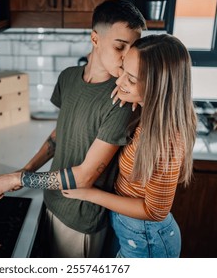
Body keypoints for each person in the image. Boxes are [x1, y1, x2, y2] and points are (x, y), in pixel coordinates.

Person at [0, 0, 146, 258]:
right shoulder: (68, 78)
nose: (127, 56)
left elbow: (84, 177)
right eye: (119, 46)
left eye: (132, 47)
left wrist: (17, 179)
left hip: (81, 221)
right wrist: (26, 170)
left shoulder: (120, 100)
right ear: (94, 38)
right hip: (51, 201)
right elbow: (60, 135)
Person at [63, 34, 198, 258]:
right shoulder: (149, 112)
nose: (118, 82)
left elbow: (155, 211)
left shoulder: (167, 142)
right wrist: (135, 94)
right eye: (123, 70)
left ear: (158, 87)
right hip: (129, 230)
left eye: (131, 79)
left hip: (148, 241)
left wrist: (89, 194)